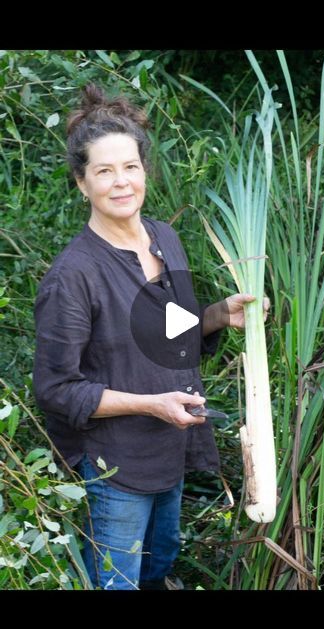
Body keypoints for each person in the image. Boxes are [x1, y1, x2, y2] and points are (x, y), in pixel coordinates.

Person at [33, 83, 269, 590]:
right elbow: (55, 389)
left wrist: (215, 316)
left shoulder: (165, 238)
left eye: (130, 167)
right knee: (117, 583)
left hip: (172, 448)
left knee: (159, 568)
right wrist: (149, 403)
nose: (121, 183)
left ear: (145, 171)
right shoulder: (73, 276)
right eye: (104, 171)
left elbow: (163, 331)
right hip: (115, 464)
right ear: (81, 183)